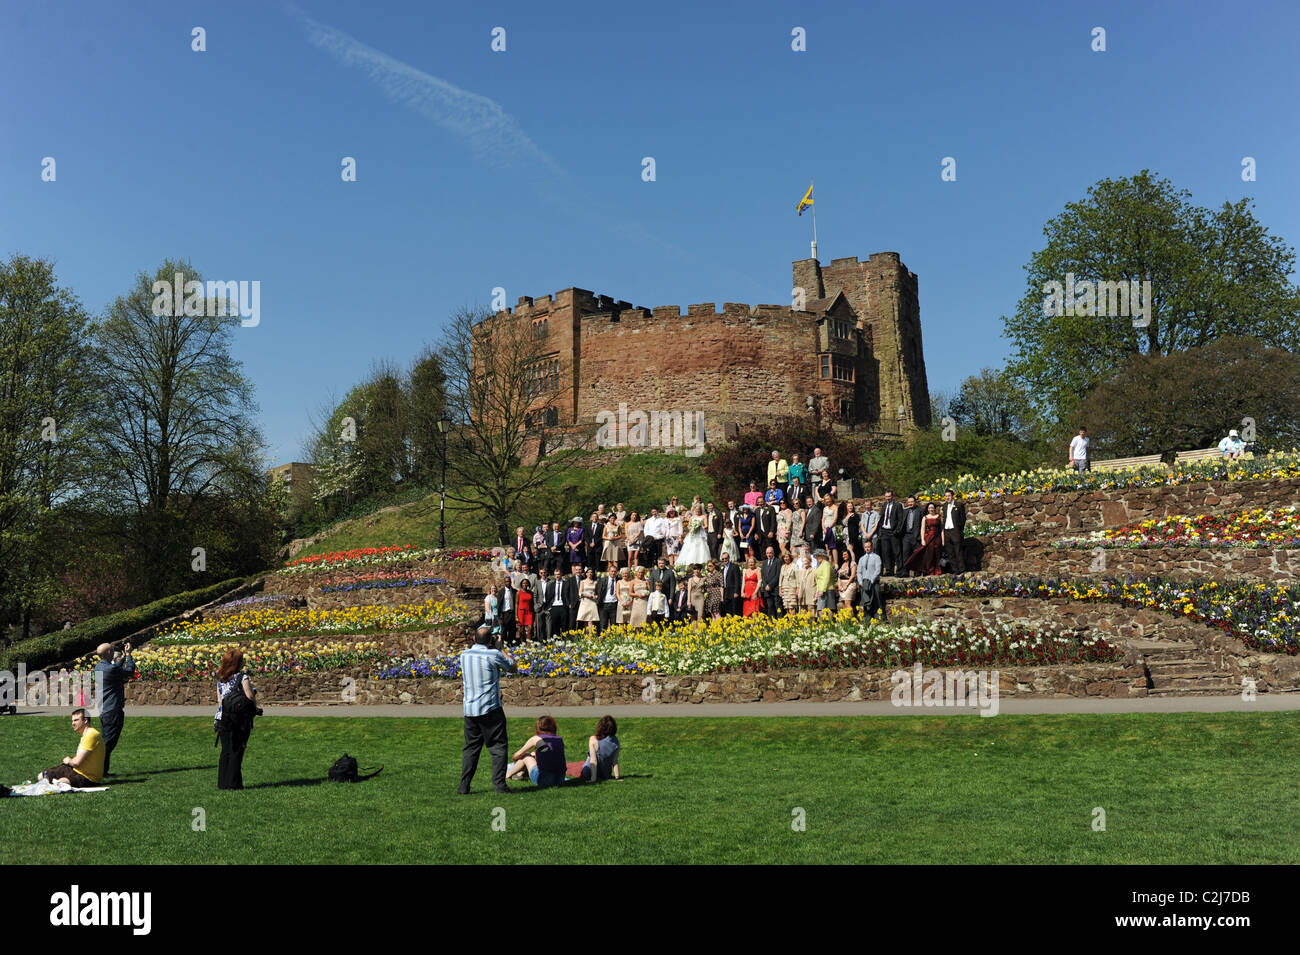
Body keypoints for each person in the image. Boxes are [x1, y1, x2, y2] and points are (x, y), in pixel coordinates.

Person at [459, 623, 517, 794]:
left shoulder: (464, 655)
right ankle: (500, 786)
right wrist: (501, 648)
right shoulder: (492, 655)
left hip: (470, 709)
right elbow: (513, 667)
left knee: (471, 748)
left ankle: (464, 786)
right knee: (498, 747)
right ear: (491, 639)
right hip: (490, 708)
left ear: (473, 639)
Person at [215, 648, 257, 790]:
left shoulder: (220, 679)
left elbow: (220, 700)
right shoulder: (242, 677)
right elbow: (249, 696)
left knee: (225, 750)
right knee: (237, 750)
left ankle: (223, 783)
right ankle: (233, 784)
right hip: (238, 719)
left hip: (222, 718)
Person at [92, 641, 134, 776]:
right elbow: (129, 671)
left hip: (105, 709)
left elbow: (115, 668)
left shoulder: (99, 667)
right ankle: (98, 771)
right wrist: (129, 655)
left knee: (106, 742)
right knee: (108, 744)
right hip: (112, 710)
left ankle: (102, 771)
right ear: (109, 653)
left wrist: (122, 658)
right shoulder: (110, 669)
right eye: (112, 649)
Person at [37, 708, 104, 788]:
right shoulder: (87, 735)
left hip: (87, 777)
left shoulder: (91, 735)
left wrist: (69, 760)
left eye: (76, 720)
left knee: (62, 782)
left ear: (85, 720)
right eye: (72, 721)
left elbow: (76, 763)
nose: (73, 723)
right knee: (42, 776)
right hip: (76, 771)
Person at [505, 715, 566, 789]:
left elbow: (516, 755)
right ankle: (520, 774)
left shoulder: (536, 739)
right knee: (534, 755)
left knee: (526, 756)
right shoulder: (559, 739)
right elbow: (548, 753)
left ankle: (508, 775)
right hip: (560, 780)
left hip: (544, 780)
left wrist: (516, 759)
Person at [576, 715, 622, 783]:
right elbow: (615, 761)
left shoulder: (593, 739)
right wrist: (617, 778)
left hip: (589, 773)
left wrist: (593, 779)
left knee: (589, 759)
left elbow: (593, 760)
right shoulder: (615, 741)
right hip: (605, 774)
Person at [904, 503, 944, 576]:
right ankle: (929, 571)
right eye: (929, 508)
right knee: (929, 555)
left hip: (937, 538)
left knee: (937, 554)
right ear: (928, 509)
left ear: (934, 508)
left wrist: (943, 540)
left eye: (932, 508)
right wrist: (922, 539)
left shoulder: (939, 517)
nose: (931, 509)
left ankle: (937, 570)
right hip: (928, 537)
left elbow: (941, 529)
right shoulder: (925, 518)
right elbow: (922, 529)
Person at [877, 490, 905, 577]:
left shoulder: (898, 505)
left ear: (892, 497)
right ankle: (889, 570)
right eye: (886, 497)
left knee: (897, 552)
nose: (887, 498)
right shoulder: (884, 505)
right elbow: (882, 518)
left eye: (889, 496)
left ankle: (900, 571)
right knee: (886, 552)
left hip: (893, 532)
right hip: (885, 531)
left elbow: (901, 520)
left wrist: (897, 531)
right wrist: (880, 530)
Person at [856, 539, 885, 619]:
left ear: (872, 547)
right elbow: (859, 571)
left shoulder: (876, 557)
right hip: (864, 583)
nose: (867, 548)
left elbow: (878, 570)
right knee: (866, 602)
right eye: (866, 547)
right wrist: (860, 581)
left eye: (869, 547)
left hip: (874, 582)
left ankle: (879, 618)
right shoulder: (861, 559)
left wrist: (871, 580)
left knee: (877, 601)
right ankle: (867, 619)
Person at [941, 489, 966, 574]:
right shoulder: (944, 506)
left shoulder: (958, 505)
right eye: (946, 496)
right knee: (950, 552)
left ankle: (962, 569)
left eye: (949, 496)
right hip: (947, 531)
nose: (947, 497)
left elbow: (963, 518)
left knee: (958, 550)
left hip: (955, 530)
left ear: (952, 496)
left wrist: (959, 528)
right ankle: (955, 570)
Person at [900, 496, 922, 578]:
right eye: (909, 502)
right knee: (905, 554)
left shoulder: (920, 511)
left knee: (916, 555)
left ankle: (917, 572)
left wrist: (920, 536)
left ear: (915, 502)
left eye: (912, 502)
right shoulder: (905, 511)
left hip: (916, 536)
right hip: (906, 535)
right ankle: (906, 571)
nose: (910, 503)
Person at [596, 564, 620, 634]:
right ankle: (603, 639)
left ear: (617, 572)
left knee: (614, 624)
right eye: (612, 571)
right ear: (608, 571)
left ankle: (613, 640)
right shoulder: (603, 580)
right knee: (603, 624)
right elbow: (599, 590)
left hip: (614, 604)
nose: (613, 573)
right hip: (604, 604)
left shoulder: (619, 580)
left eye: (615, 571)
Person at [760, 545, 782, 616]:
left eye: (770, 553)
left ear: (773, 553)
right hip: (767, 590)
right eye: (767, 553)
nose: (769, 555)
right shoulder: (764, 563)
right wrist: (766, 585)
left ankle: (780, 623)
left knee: (777, 607)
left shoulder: (778, 561)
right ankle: (771, 624)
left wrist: (770, 585)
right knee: (770, 607)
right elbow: (762, 576)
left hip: (775, 589)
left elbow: (778, 575)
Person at [577, 567, 599, 633]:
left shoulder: (595, 582)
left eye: (591, 572)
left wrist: (596, 596)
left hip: (592, 603)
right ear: (586, 573)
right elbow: (580, 593)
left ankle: (590, 636)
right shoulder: (582, 582)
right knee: (585, 620)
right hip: (585, 602)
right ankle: (587, 636)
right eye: (588, 572)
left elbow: (597, 593)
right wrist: (588, 595)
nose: (590, 573)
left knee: (590, 620)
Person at [721, 551, 743, 616]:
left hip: (733, 592)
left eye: (726, 558)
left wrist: (736, 592)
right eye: (723, 559)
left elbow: (737, 580)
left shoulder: (734, 566)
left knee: (735, 611)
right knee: (728, 611)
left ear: (729, 558)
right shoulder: (723, 569)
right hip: (726, 592)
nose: (724, 560)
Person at [778, 551, 798, 615]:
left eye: (787, 557)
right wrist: (780, 590)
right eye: (784, 557)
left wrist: (797, 588)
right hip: (785, 588)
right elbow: (781, 579)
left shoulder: (794, 566)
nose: (786, 558)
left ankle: (793, 622)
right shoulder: (782, 567)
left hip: (792, 588)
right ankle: (789, 623)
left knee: (792, 606)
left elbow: (798, 578)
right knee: (786, 606)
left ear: (790, 557)